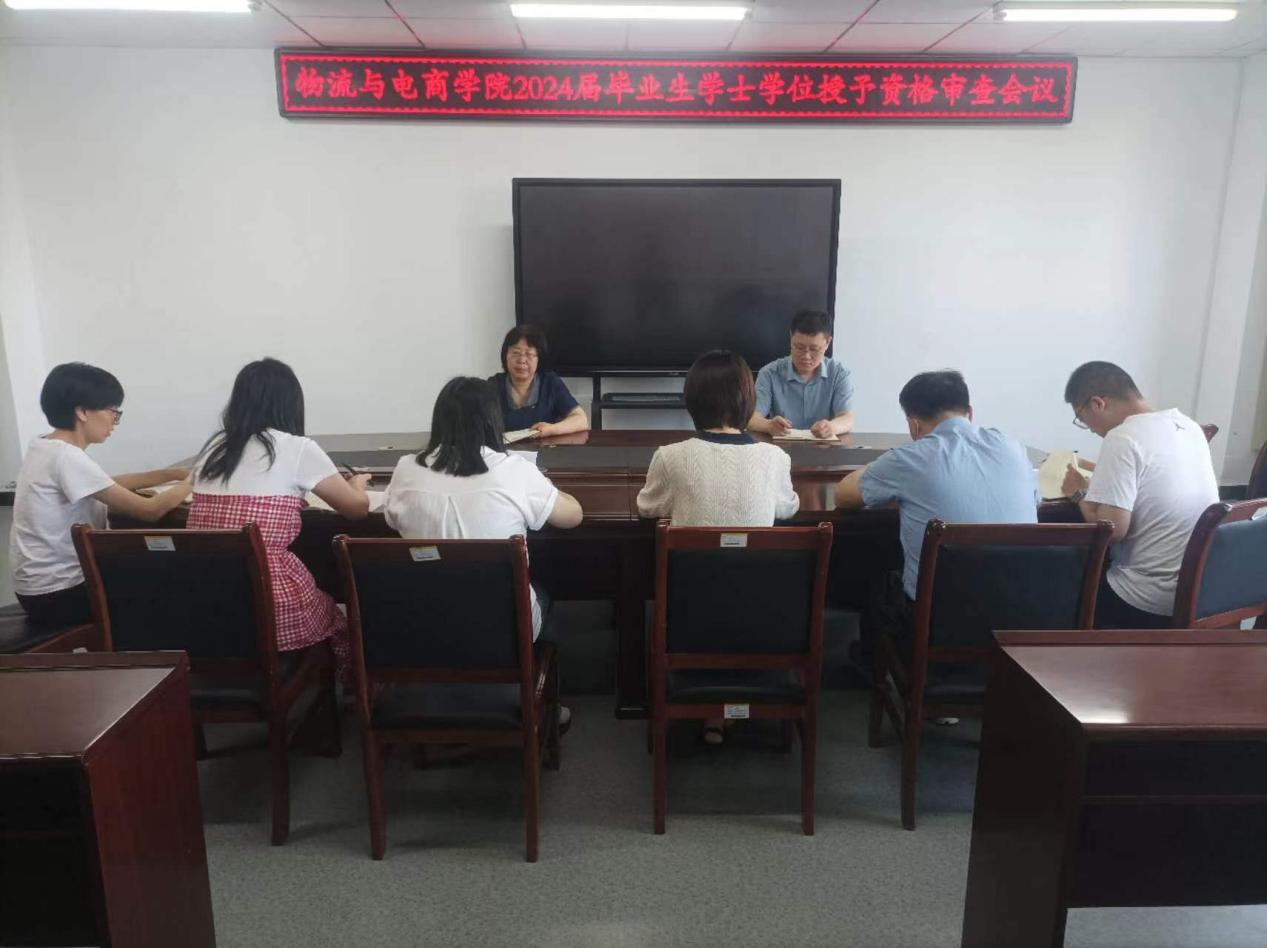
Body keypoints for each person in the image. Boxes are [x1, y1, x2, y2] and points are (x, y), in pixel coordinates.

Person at [383, 376, 583, 729]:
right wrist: (548, 489)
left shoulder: (406, 470)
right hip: (501, 625)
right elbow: (573, 516)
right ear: (492, 420)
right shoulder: (515, 470)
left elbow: (391, 516)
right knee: (543, 596)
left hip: (420, 622)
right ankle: (545, 707)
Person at [637, 350, 800, 744]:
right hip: (765, 618)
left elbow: (647, 508)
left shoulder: (670, 457)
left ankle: (707, 705)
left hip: (689, 620)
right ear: (748, 401)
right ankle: (729, 704)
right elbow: (788, 507)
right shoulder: (775, 458)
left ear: (692, 401)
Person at [189, 358, 371, 674]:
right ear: (291, 403)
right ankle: (343, 691)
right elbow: (356, 510)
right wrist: (357, 485)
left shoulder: (215, 449)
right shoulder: (297, 448)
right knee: (336, 613)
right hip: (270, 604)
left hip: (208, 602)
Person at [834, 370, 1038, 649]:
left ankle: (871, 666)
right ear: (969, 412)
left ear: (914, 425)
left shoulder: (910, 459)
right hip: (1023, 611)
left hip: (942, 621)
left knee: (878, 582)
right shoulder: (1014, 449)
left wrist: (883, 465)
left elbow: (843, 495)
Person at [10, 362, 193, 628]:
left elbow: (106, 483)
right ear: (82, 412)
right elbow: (150, 511)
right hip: (61, 594)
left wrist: (170, 474)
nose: (114, 422)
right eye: (112, 412)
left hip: (37, 590)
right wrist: (195, 480)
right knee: (169, 573)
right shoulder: (66, 457)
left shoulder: (45, 446)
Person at [1059, 361, 1219, 628]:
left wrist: (1077, 493)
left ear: (1098, 404)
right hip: (1199, 594)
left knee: (1057, 573)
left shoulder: (1122, 438)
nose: (1091, 430)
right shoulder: (1188, 426)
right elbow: (1153, 474)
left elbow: (1111, 530)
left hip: (1143, 599)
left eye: (1083, 420)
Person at [748, 310, 854, 439]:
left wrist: (831, 427)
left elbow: (847, 418)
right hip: (782, 447)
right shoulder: (769, 373)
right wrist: (768, 425)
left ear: (827, 342)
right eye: (799, 347)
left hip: (824, 446)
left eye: (814, 349)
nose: (806, 356)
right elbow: (752, 418)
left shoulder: (839, 374)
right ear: (791, 337)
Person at [490, 325, 588, 437]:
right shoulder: (493, 386)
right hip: (504, 448)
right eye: (515, 353)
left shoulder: (550, 382)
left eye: (529, 354)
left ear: (539, 358)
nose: (522, 360)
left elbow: (581, 420)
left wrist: (552, 429)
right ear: (505, 356)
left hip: (545, 447)